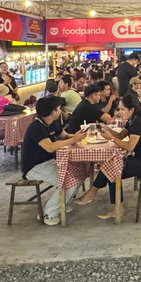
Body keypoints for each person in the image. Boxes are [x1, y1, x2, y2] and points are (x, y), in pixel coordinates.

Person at [74, 93, 141, 218]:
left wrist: (111, 138)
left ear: (131, 109)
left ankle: (104, 200)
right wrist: (107, 129)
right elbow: (121, 136)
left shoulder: (138, 122)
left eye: (122, 109)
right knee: (111, 166)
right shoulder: (133, 119)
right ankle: (96, 194)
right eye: (119, 109)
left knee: (113, 169)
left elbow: (130, 146)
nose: (120, 112)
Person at [21, 95, 88, 225]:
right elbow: (50, 147)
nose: (61, 111)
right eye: (59, 109)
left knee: (79, 172)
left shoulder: (52, 123)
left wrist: (77, 136)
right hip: (34, 167)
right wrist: (73, 140)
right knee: (67, 181)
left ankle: (62, 204)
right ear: (53, 112)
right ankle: (49, 214)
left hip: (49, 162)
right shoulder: (36, 127)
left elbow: (64, 136)